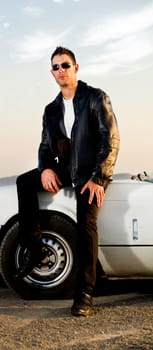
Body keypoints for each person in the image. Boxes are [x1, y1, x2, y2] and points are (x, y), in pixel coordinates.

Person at [15, 46, 120, 317]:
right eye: (55, 67)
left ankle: (84, 292)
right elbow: (44, 147)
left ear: (76, 68)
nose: (60, 70)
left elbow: (111, 141)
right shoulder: (51, 110)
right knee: (25, 183)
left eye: (65, 65)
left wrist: (99, 178)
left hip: (90, 173)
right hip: (65, 169)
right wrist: (45, 169)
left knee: (86, 224)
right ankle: (34, 248)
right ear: (52, 73)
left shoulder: (96, 98)